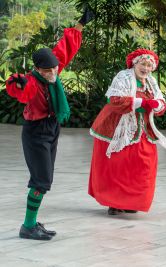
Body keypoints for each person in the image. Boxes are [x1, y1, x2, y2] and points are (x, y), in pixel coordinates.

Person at [5, 8, 95, 240]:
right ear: (37, 69)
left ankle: (32, 222)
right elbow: (19, 90)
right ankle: (27, 226)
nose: (53, 72)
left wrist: (80, 25)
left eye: (55, 68)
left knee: (45, 179)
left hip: (52, 128)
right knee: (41, 181)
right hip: (36, 132)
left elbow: (65, 48)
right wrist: (17, 83)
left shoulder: (53, 70)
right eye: (47, 70)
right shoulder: (34, 83)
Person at [89, 49, 166, 216]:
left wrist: (156, 105)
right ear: (134, 63)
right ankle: (114, 202)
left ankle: (132, 201)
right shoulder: (123, 77)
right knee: (118, 165)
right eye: (142, 64)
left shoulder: (151, 82)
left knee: (142, 165)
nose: (146, 68)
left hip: (143, 128)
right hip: (118, 127)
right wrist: (141, 103)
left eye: (149, 65)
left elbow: (161, 103)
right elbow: (114, 101)